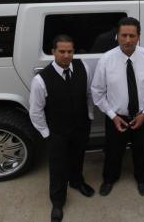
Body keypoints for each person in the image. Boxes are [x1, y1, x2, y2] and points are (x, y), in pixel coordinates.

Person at [91, 17, 144, 196]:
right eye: (124, 35)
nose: (128, 40)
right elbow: (97, 91)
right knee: (113, 152)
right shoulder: (106, 60)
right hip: (116, 118)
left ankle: (142, 179)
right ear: (117, 36)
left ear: (139, 36)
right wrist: (112, 116)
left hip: (142, 116)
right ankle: (109, 179)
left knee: (142, 151)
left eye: (132, 35)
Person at [29, 34, 95, 222]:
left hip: (81, 126)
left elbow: (89, 94)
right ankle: (57, 202)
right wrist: (47, 134)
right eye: (62, 51)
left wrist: (89, 116)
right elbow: (36, 111)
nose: (66, 55)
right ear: (53, 52)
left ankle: (77, 181)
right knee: (58, 167)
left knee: (78, 157)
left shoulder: (83, 68)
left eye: (70, 51)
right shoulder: (41, 80)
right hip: (57, 132)